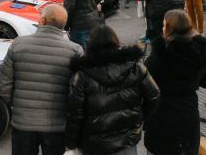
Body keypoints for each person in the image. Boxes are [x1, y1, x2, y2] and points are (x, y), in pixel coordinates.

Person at [0, 4, 82, 155]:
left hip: (23, 124)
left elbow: (2, 83)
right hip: (57, 125)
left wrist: (17, 103)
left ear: (42, 21)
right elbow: (78, 92)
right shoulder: (75, 50)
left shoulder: (18, 44)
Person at [65, 25, 160, 155]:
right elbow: (154, 95)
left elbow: (75, 113)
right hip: (127, 140)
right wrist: (138, 117)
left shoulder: (82, 75)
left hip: (94, 144)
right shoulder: (135, 67)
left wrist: (71, 143)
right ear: (115, 40)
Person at [144, 10, 206, 155]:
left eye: (165, 26)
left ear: (169, 29)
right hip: (187, 114)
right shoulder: (198, 53)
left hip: (161, 116)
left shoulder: (158, 56)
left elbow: (144, 86)